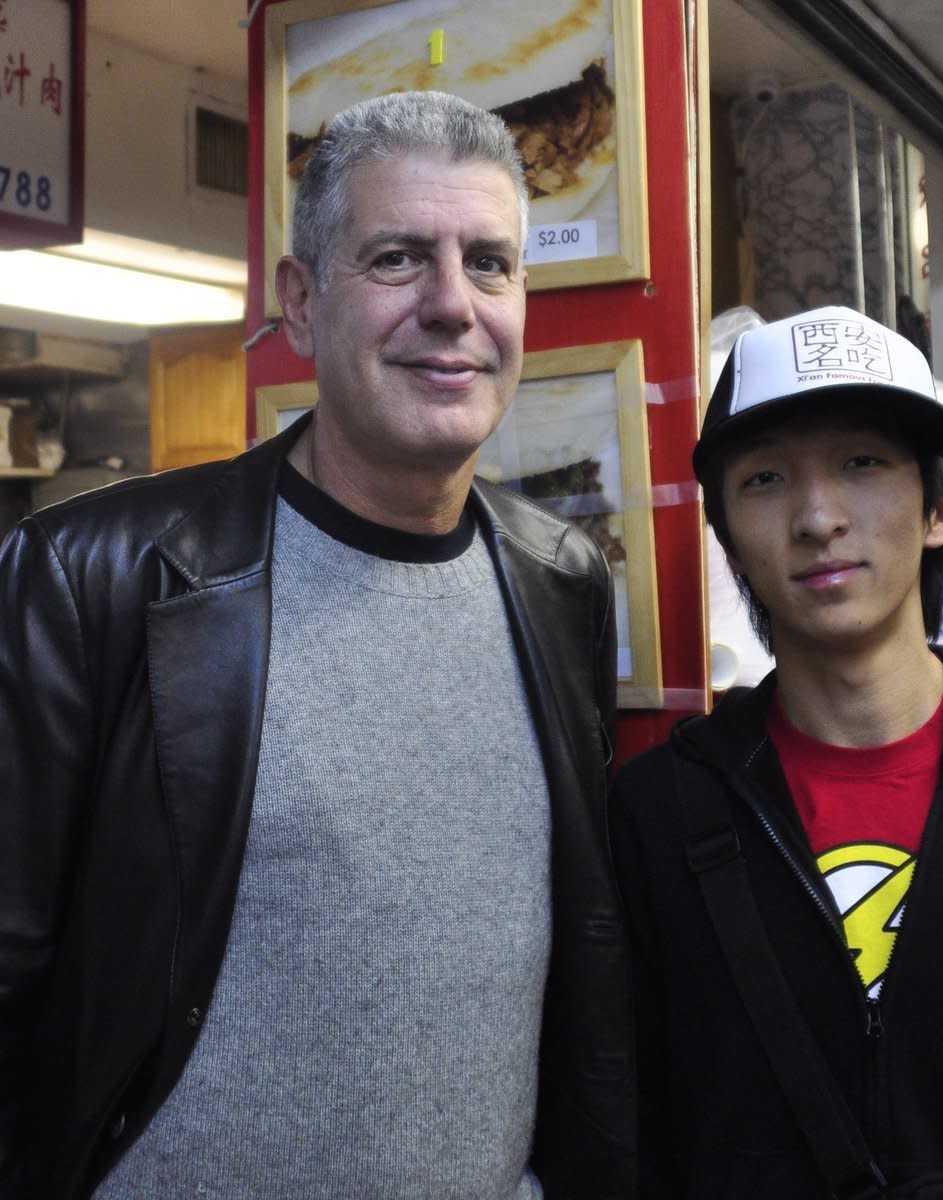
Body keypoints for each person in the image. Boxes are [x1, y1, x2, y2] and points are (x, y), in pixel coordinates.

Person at [0, 90, 635, 1200]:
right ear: (301, 303)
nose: (453, 305)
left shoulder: (562, 584)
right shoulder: (88, 578)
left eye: (490, 263)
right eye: (398, 257)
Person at [609, 305, 943, 1197]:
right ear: (727, 534)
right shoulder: (661, 812)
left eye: (861, 464)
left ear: (937, 511)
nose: (818, 517)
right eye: (767, 479)